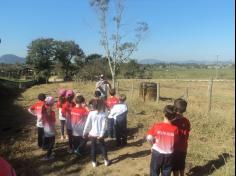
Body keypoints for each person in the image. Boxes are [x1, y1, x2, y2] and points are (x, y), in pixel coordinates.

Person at [146, 105, 179, 176]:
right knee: (166, 172)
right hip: (169, 155)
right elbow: (175, 141)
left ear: (164, 114)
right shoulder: (175, 129)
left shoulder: (157, 126)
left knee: (154, 171)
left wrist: (151, 146)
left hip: (157, 154)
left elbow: (149, 137)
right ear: (174, 117)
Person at [83, 99, 110, 167]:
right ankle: (106, 161)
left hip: (92, 134)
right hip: (100, 134)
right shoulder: (103, 114)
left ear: (93, 106)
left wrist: (84, 132)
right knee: (103, 146)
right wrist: (101, 134)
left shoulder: (91, 113)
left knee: (93, 147)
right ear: (101, 106)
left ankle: (94, 162)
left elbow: (87, 124)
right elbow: (104, 126)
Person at [172, 98, 191, 176]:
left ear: (175, 109)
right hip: (183, 147)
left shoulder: (172, 121)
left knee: (175, 166)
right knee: (182, 163)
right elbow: (189, 129)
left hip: (174, 148)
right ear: (184, 110)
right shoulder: (186, 121)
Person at [42, 96, 56, 160]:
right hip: (51, 130)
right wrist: (54, 130)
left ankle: (49, 153)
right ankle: (48, 156)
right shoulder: (52, 112)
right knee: (52, 143)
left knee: (49, 142)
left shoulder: (43, 109)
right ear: (52, 104)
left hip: (45, 129)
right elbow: (53, 122)